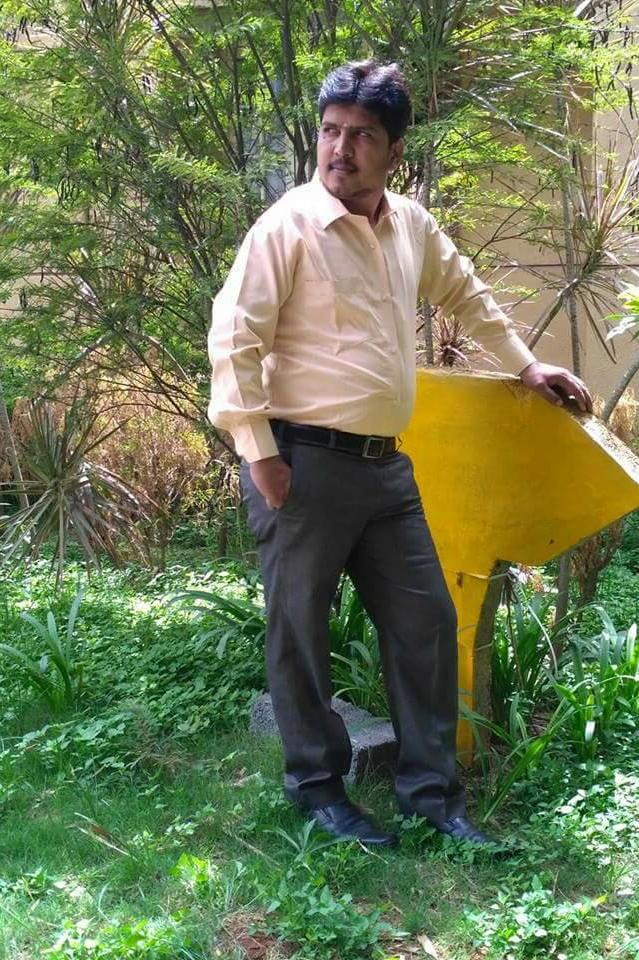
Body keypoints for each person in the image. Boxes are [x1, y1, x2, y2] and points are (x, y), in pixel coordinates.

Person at [208, 60, 592, 849]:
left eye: (361, 136)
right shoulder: (287, 226)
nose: (339, 149)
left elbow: (466, 295)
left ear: (393, 152)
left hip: (386, 467)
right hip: (301, 465)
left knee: (425, 621)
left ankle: (430, 796)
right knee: (299, 634)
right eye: (330, 131)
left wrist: (526, 366)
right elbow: (234, 337)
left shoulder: (410, 225)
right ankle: (318, 791)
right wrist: (258, 452)